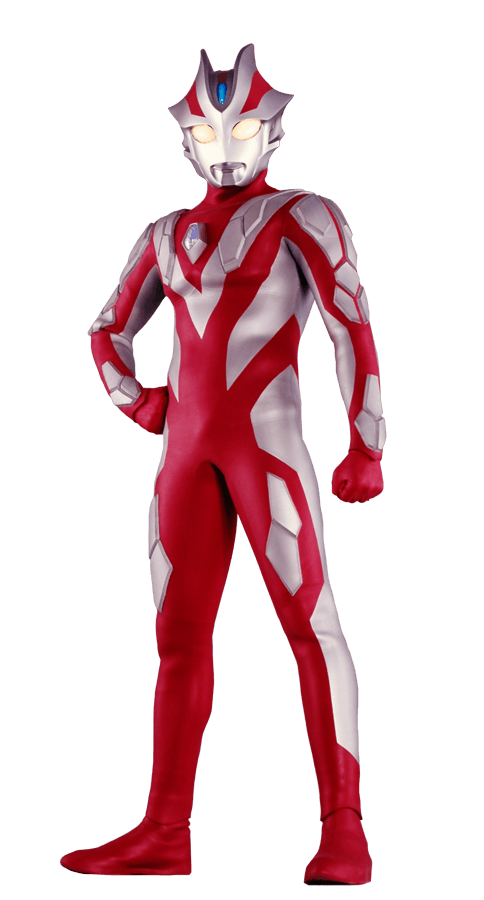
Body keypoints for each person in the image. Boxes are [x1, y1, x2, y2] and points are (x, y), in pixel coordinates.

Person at [60, 43, 385, 884]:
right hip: (186, 458)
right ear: (185, 139)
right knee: (176, 641)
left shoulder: (306, 213)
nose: (226, 145)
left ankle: (344, 827)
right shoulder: (163, 233)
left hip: (266, 447)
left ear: (272, 132)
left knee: (309, 625)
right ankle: (164, 831)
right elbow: (106, 330)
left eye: (241, 127)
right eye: (208, 131)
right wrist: (139, 405)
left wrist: (368, 443)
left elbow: (351, 325)